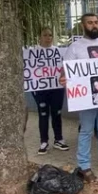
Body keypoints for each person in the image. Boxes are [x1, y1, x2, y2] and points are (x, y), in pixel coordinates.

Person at [61, 14, 98, 183]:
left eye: (96, 22)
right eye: (90, 23)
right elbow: (65, 71)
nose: (94, 25)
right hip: (86, 97)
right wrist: (63, 78)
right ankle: (84, 165)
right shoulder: (75, 47)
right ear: (83, 25)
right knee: (86, 131)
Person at [31, 27, 68, 155]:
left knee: (57, 113)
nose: (48, 38)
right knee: (43, 114)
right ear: (39, 37)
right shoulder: (32, 52)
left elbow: (64, 68)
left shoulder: (58, 51)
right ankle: (44, 141)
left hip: (56, 88)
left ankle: (58, 139)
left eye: (50, 35)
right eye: (45, 35)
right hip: (40, 89)